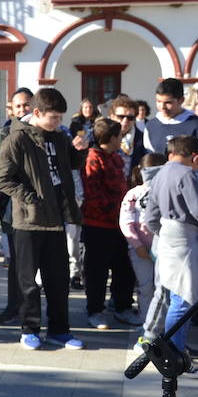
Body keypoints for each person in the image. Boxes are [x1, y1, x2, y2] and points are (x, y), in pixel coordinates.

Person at [0, 87, 84, 350]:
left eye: (60, 118)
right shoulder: (18, 138)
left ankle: (60, 330)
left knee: (57, 279)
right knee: (28, 281)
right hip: (29, 220)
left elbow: (70, 165)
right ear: (37, 113)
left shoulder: (59, 137)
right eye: (53, 118)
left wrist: (80, 151)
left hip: (58, 217)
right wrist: (28, 197)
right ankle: (29, 329)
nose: (58, 123)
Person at [141, 135, 198, 378]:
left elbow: (150, 215)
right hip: (184, 237)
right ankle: (175, 354)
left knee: (176, 295)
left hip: (166, 236)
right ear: (195, 157)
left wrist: (163, 232)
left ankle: (175, 349)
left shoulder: (160, 173)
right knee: (183, 299)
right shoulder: (184, 173)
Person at [81, 118, 139, 329]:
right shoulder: (93, 159)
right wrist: (114, 211)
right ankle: (94, 310)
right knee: (97, 270)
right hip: (98, 225)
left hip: (120, 225)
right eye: (119, 136)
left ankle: (123, 306)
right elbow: (93, 194)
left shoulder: (116, 158)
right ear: (112, 138)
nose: (121, 139)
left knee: (124, 268)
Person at [120, 153, 164, 325]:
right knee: (145, 287)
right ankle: (146, 320)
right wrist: (137, 245)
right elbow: (126, 222)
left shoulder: (166, 191)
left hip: (163, 249)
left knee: (162, 288)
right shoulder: (133, 194)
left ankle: (163, 323)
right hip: (140, 251)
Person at [143, 78, 198, 154]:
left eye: (168, 102)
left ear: (181, 100)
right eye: (158, 101)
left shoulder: (196, 126)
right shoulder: (151, 126)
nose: (162, 107)